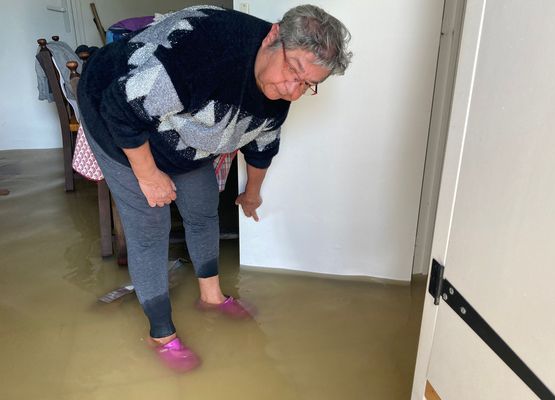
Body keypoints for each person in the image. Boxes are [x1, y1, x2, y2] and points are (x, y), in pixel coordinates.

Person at [78, 4, 352, 372]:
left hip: (179, 129)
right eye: (293, 70)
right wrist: (147, 175)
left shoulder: (280, 92)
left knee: (204, 205)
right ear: (273, 37)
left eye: (308, 84)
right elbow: (121, 107)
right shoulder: (203, 51)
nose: (293, 89)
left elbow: (262, 144)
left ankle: (211, 296)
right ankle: (160, 333)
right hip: (114, 110)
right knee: (150, 226)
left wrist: (251, 193)